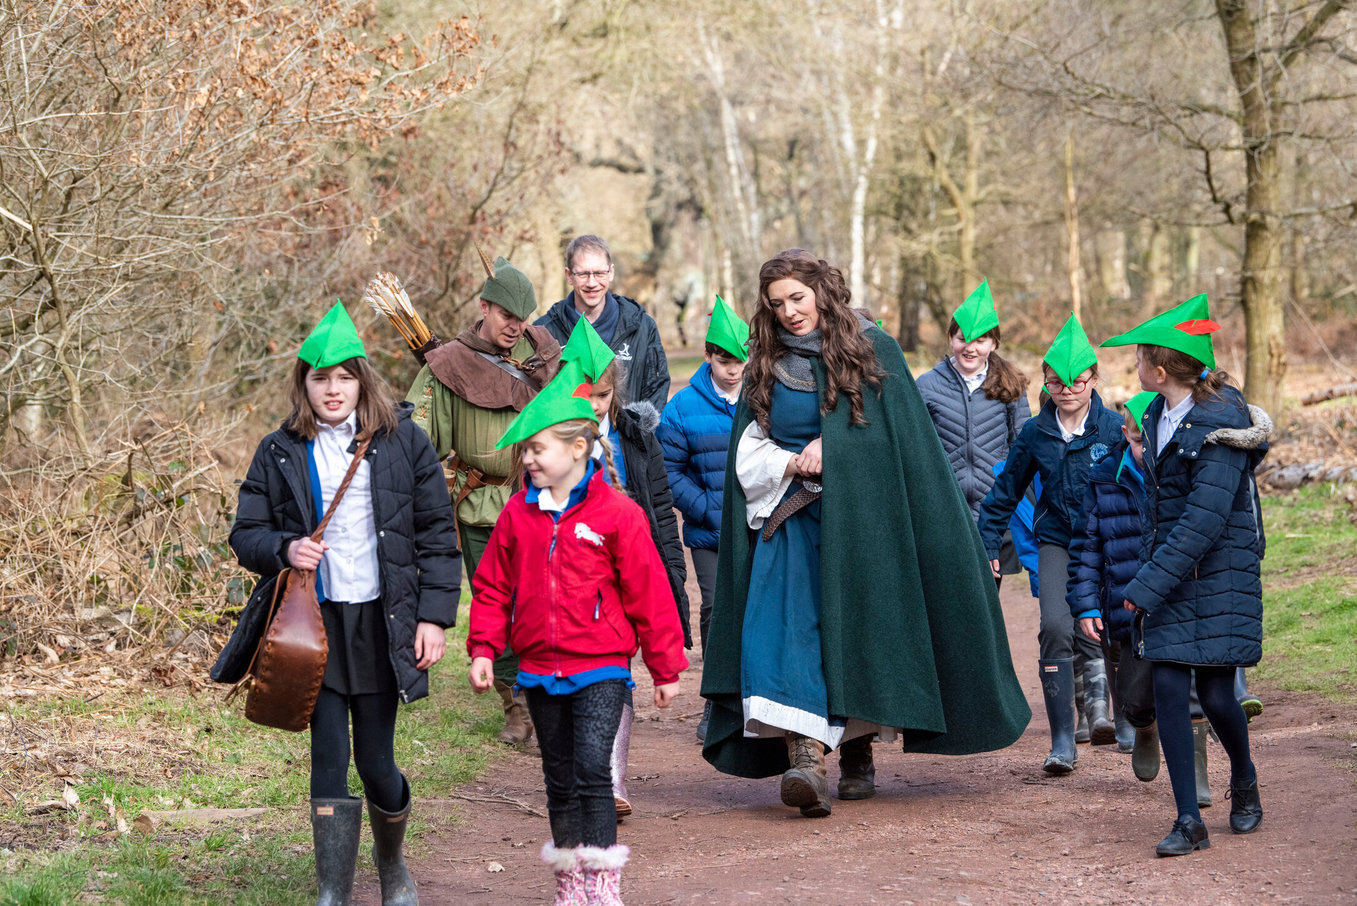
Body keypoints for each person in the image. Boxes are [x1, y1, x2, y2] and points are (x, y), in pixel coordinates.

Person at [700, 249, 1030, 819]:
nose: (789, 313)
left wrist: (839, 448)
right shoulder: (765, 363)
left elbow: (902, 444)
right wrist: (787, 463)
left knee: (855, 634)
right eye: (777, 304)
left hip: (864, 526)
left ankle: (855, 752)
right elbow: (749, 443)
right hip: (790, 519)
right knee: (787, 633)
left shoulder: (874, 349)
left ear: (822, 291)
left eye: (798, 298)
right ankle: (806, 756)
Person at [230, 303, 459, 906]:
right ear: (303, 385)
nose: (333, 389)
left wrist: (434, 618)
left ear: (362, 379)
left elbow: (439, 533)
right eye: (320, 378)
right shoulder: (279, 450)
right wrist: (285, 547)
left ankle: (393, 868)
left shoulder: (404, 442)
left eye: (344, 377)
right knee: (329, 759)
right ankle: (332, 891)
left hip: (383, 622)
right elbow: (245, 533)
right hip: (315, 626)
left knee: (377, 762)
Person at [467, 361, 688, 904]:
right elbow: (492, 587)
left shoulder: (618, 514)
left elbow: (648, 592)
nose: (527, 459)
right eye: (524, 451)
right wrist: (483, 648)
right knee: (559, 777)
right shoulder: (517, 516)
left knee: (593, 769)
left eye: (536, 448)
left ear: (577, 449)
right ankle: (569, 880)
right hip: (540, 670)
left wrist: (664, 667)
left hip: (602, 667)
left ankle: (603, 882)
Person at [1101, 294, 1271, 857]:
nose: (1136, 369)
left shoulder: (1219, 423)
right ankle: (1187, 819)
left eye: (1141, 359)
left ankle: (1243, 779)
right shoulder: (1155, 414)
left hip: (1215, 576)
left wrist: (1144, 586)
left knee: (1219, 696)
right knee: (1171, 687)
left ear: (1160, 367)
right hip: (1171, 575)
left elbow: (1203, 521)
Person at [406, 255, 562, 748]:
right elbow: (417, 440)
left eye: (523, 318)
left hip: (546, 502)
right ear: (484, 306)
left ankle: (559, 698)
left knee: (549, 601)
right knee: (501, 606)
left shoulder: (549, 355)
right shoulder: (449, 364)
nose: (515, 327)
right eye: (505, 316)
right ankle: (515, 705)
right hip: (483, 506)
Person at [977, 313, 1123, 775]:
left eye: (1077, 381)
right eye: (1057, 382)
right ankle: (1063, 738)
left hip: (1109, 540)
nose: (1067, 390)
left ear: (1093, 379)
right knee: (1057, 626)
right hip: (1058, 539)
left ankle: (1128, 721)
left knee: (1118, 627)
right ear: (1046, 381)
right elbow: (1003, 494)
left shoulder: (1115, 430)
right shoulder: (1035, 433)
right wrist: (987, 549)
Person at [563, 316, 692, 820]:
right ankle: (579, 770)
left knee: (615, 670)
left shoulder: (636, 434)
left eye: (601, 395)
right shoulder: (551, 442)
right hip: (571, 577)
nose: (593, 405)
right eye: (584, 394)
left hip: (623, 576)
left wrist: (673, 572)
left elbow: (661, 507)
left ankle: (610, 782)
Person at [657, 295, 749, 742]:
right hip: (708, 530)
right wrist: (709, 508)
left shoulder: (766, 397)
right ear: (708, 356)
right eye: (723, 360)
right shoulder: (681, 407)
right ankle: (716, 703)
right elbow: (668, 471)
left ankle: (756, 701)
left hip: (760, 527)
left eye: (740, 360)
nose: (732, 369)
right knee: (715, 608)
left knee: (758, 610)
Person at [916, 280, 1031, 587]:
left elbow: (1022, 444)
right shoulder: (926, 386)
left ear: (994, 343)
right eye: (962, 338)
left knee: (988, 594)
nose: (970, 347)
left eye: (981, 340)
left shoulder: (1010, 385)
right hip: (945, 509)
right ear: (950, 338)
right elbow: (917, 446)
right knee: (949, 596)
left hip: (993, 510)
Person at [536, 235, 671, 412]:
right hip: (567, 438)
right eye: (583, 274)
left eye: (599, 273)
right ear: (569, 276)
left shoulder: (642, 327)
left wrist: (635, 434)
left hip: (628, 437)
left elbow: (657, 390)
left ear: (611, 272)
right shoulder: (544, 331)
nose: (592, 283)